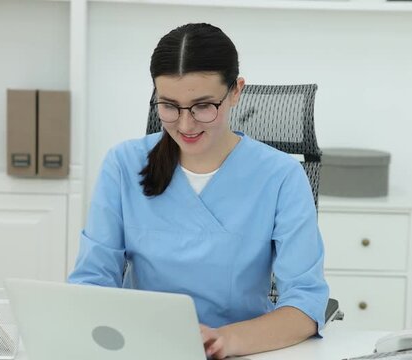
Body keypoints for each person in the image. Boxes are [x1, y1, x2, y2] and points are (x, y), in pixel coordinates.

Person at [68, 22, 329, 359]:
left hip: (242, 351)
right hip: (142, 349)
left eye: (204, 106)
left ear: (236, 91)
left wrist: (225, 340)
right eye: (169, 106)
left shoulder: (282, 176)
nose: (186, 125)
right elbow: (91, 281)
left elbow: (306, 305)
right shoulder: (123, 164)